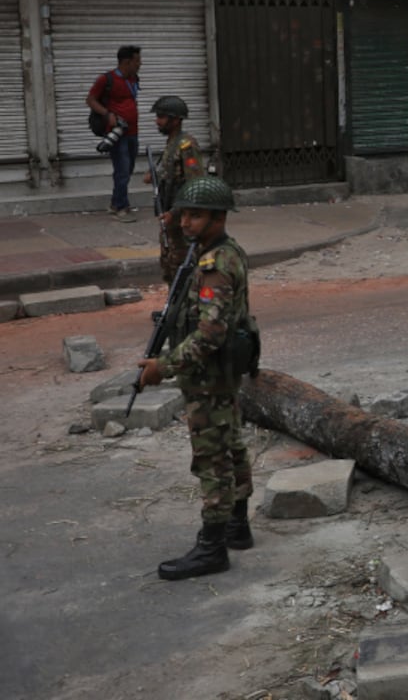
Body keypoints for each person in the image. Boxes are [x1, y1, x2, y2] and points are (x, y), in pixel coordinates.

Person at [134, 175, 256, 581]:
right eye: (184, 213)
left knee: (212, 459)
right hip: (215, 374)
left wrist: (162, 367)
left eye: (196, 215)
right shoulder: (210, 252)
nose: (186, 222)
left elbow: (210, 334)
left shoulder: (217, 264)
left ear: (219, 217)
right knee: (231, 445)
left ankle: (212, 548)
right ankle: (238, 526)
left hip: (209, 375)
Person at [143, 95, 206, 283]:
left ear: (176, 120)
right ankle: (174, 306)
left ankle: (186, 306)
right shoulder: (171, 143)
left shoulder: (187, 145)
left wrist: (175, 213)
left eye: (162, 116)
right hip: (169, 216)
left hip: (181, 218)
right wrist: (153, 176)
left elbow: (194, 185)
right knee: (169, 265)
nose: (157, 121)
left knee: (182, 265)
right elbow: (171, 174)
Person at [88, 45, 142, 222]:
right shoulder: (106, 79)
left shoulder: (133, 78)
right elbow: (90, 100)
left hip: (133, 131)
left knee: (128, 168)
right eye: (137, 61)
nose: (140, 64)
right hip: (117, 133)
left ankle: (115, 202)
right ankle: (121, 207)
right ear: (127, 62)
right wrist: (107, 114)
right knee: (122, 169)